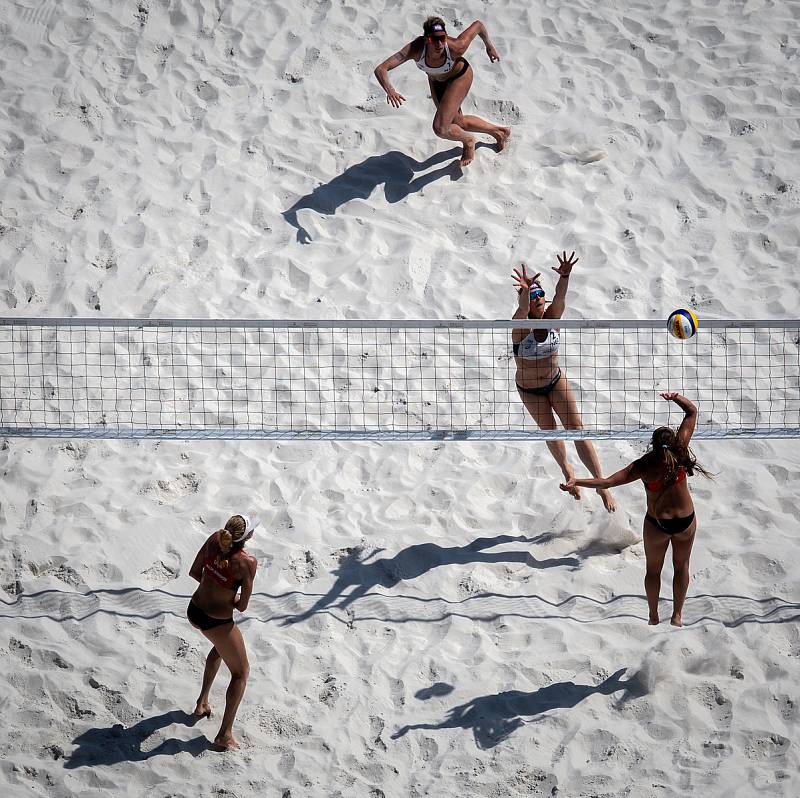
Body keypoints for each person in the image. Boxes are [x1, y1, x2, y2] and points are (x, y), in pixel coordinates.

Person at [559, 393, 714, 626]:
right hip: (685, 521)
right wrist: (675, 398)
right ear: (671, 443)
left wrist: (576, 481)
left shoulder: (644, 465)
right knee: (681, 567)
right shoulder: (680, 450)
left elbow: (606, 482)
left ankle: (653, 616)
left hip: (657, 525)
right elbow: (692, 412)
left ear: (652, 445)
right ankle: (677, 616)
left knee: (653, 571)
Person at [512, 252, 616, 513]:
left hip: (555, 380)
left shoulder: (553, 316)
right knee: (550, 432)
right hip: (530, 390)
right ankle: (567, 470)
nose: (537, 298)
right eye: (532, 295)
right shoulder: (520, 327)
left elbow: (559, 296)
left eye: (539, 294)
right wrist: (525, 292)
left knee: (577, 428)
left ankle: (601, 484)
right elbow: (523, 310)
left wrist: (566, 276)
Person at [374, 16, 511, 167]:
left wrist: (489, 45)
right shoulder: (415, 49)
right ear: (426, 39)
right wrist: (390, 90)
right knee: (458, 122)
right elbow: (381, 69)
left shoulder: (456, 46)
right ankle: (499, 132)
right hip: (436, 81)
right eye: (434, 39)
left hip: (460, 76)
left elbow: (478, 25)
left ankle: (469, 141)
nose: (439, 43)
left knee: (441, 128)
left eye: (442, 38)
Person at [187, 513, 259, 750]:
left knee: (220, 648)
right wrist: (229, 596)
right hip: (214, 620)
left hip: (195, 609)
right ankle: (224, 735)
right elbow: (242, 606)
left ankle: (202, 703)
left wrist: (214, 585)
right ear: (248, 536)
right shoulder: (247, 562)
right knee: (241, 672)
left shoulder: (214, 539)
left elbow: (195, 572)